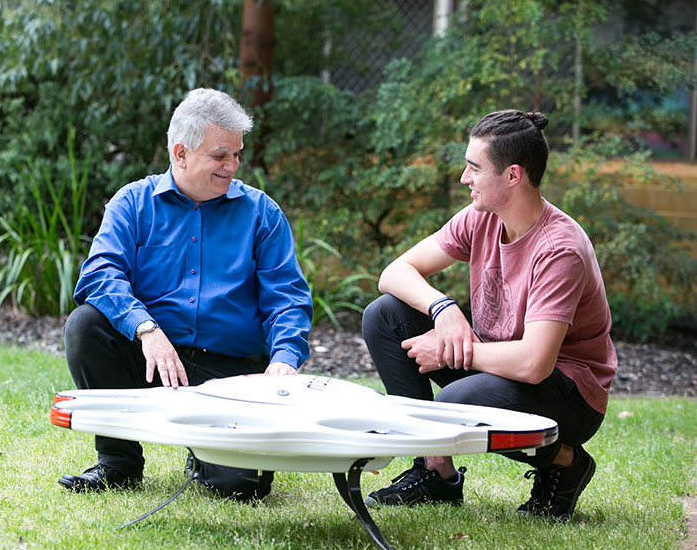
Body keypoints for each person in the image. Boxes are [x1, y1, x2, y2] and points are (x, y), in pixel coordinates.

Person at [58, 88, 313, 501]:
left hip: (232, 372)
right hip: (152, 359)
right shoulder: (133, 203)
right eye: (219, 156)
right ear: (181, 153)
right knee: (85, 325)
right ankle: (118, 463)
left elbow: (288, 297)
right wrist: (145, 329)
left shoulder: (262, 213)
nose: (232, 166)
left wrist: (284, 360)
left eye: (236, 155)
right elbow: (99, 274)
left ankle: (208, 454)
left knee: (240, 489)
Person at [362, 110, 616, 521]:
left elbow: (535, 363)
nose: (465, 178)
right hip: (501, 366)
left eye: (474, 168)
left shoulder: (558, 250)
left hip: (568, 394)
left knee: (461, 401)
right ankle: (434, 472)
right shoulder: (481, 218)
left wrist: (448, 351)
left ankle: (566, 463)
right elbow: (394, 273)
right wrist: (443, 311)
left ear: (512, 176)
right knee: (385, 315)